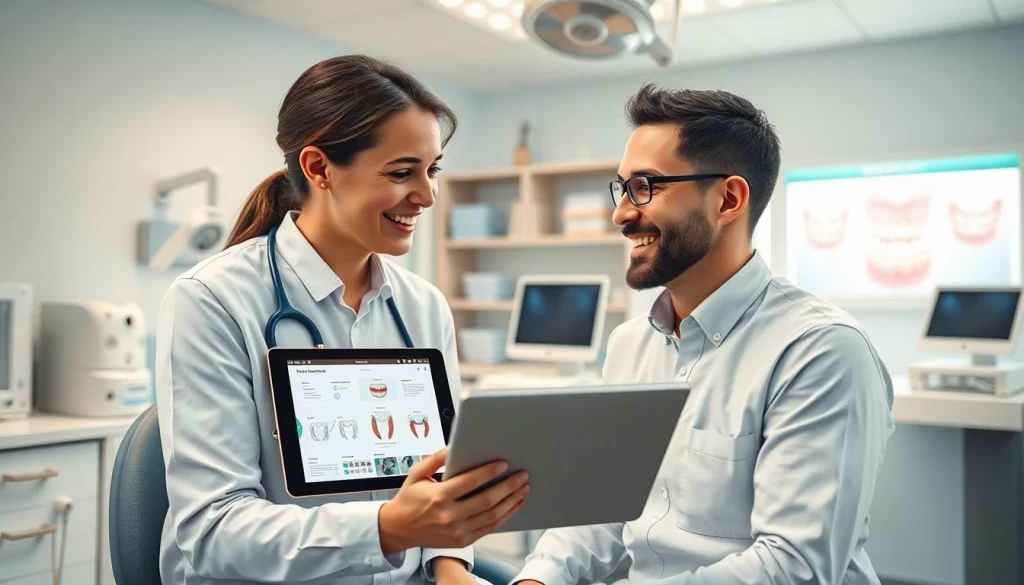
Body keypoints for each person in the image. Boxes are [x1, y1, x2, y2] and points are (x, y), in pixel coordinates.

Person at [155, 55, 529, 585]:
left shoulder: (422, 308)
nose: (426, 196)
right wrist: (388, 528)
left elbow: (443, 483)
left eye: (432, 169)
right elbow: (212, 531)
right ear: (319, 167)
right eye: (402, 172)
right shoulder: (213, 300)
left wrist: (450, 568)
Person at [512, 86, 895, 585]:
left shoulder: (821, 351)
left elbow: (795, 567)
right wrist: (537, 579)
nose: (622, 214)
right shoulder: (631, 345)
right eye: (622, 188)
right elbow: (603, 512)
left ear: (729, 199)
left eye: (646, 186)